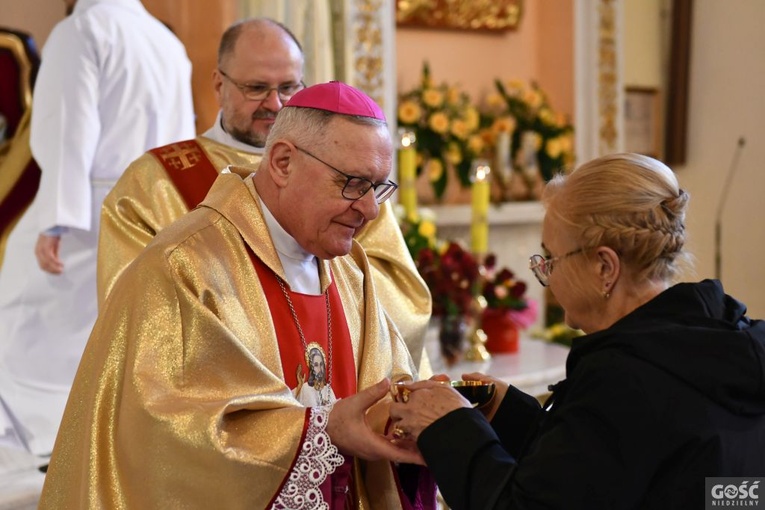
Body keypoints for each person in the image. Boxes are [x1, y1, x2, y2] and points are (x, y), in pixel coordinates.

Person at [38, 81, 436, 509]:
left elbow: (388, 382)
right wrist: (326, 429)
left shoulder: (352, 270)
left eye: (378, 187)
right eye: (354, 183)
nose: (371, 210)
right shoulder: (183, 266)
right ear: (283, 162)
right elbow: (167, 445)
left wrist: (418, 413)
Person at [388, 153, 765, 509]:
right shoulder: (720, 340)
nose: (545, 277)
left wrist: (449, 427)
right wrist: (514, 417)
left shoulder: (625, 378)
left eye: (550, 259)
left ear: (604, 267)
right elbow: (607, 474)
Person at [97, 17, 432, 371]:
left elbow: (399, 300)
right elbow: (133, 319)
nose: (275, 103)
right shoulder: (156, 181)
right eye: (256, 88)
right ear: (219, 84)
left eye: (289, 87)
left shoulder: (350, 176)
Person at [0, 0, 195, 457]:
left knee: (21, 316)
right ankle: (96, 438)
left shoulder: (82, 31)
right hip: (151, 208)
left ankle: (48, 438)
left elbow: (68, 129)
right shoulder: (167, 41)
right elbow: (182, 141)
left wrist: (56, 218)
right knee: (109, 333)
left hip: (88, 210)